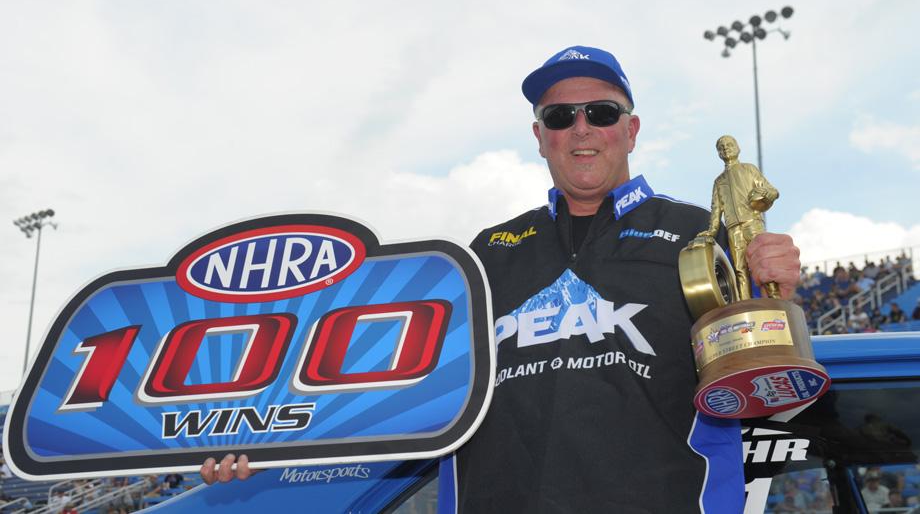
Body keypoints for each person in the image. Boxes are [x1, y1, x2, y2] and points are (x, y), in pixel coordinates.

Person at [200, 45, 803, 512]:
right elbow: (392, 383)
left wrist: (777, 294)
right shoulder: (485, 253)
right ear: (540, 137)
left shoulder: (700, 233)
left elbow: (765, 376)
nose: (581, 128)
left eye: (601, 113)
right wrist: (265, 437)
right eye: (560, 116)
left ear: (631, 130)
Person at [693, 134, 779, 300]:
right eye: (721, 147)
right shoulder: (719, 181)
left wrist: (768, 194)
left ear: (738, 148)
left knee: (763, 261)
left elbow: (773, 190)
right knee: (739, 269)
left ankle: (775, 298)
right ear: (719, 153)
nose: (725, 149)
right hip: (733, 228)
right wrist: (711, 231)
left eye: (729, 145)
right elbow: (716, 209)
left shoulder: (749, 169)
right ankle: (745, 304)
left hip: (752, 223)